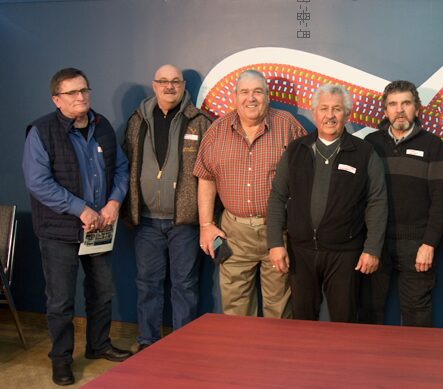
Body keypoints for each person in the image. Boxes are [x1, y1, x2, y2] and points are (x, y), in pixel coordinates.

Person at [22, 67, 131, 385]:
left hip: (99, 228)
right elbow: (37, 182)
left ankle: (98, 346)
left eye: (84, 90)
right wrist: (80, 209)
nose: (81, 97)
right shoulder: (41, 132)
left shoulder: (103, 127)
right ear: (57, 99)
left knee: (102, 292)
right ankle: (61, 360)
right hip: (60, 231)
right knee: (61, 300)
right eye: (71, 93)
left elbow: (121, 169)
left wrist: (114, 201)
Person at [266, 84, 388, 322]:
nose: (330, 115)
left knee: (344, 324)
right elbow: (278, 196)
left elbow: (377, 202)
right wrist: (274, 243)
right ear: (314, 113)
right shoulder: (295, 150)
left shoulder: (364, 153)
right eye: (324, 108)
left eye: (337, 109)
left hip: (345, 255)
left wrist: (372, 249)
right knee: (303, 323)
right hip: (300, 253)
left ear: (347, 114)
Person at [194, 69, 306, 318]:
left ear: (268, 96)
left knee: (279, 307)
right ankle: (240, 357)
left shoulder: (288, 126)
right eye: (244, 92)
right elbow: (206, 177)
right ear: (235, 97)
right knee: (235, 308)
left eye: (257, 91)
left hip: (278, 231)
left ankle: (275, 356)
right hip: (234, 232)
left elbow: (308, 177)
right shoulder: (217, 131)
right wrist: (205, 224)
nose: (251, 98)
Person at [122, 64, 212, 351]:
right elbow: (125, 163)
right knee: (147, 284)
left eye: (175, 81)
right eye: (163, 81)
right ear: (154, 84)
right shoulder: (137, 120)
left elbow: (210, 172)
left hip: (184, 222)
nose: (169, 86)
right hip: (146, 221)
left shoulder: (199, 121)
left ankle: (182, 346)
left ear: (184, 85)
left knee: (184, 286)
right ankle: (148, 343)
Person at [359, 80, 443, 326]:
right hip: (375, 243)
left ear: (417, 108)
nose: (399, 110)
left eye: (406, 103)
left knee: (417, 316)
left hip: (417, 245)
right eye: (393, 104)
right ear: (385, 110)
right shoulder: (371, 143)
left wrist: (429, 243)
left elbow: (442, 200)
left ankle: (417, 365)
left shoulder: (433, 145)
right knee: (369, 311)